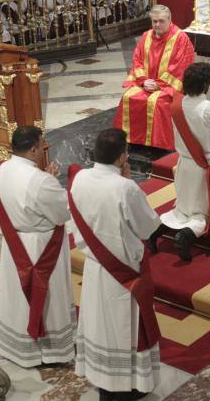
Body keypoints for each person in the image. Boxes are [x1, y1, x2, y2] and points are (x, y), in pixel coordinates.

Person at [69, 128, 162, 399]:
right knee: (126, 329)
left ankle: (103, 379)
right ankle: (127, 386)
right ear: (122, 157)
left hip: (96, 267)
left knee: (100, 325)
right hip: (125, 273)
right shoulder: (125, 188)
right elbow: (147, 228)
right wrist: (131, 183)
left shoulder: (80, 179)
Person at [0, 126, 75, 368]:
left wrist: (45, 180)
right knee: (47, 296)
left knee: (17, 295)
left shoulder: (0, 169)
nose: (44, 149)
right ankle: (49, 351)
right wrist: (50, 181)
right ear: (34, 149)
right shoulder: (40, 181)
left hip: (14, 244)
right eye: (42, 145)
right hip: (41, 246)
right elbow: (61, 214)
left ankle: (16, 345)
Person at [155, 63, 210, 261]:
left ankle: (157, 231)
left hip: (184, 164)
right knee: (206, 212)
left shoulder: (177, 104)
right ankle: (186, 236)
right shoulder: (209, 109)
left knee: (184, 208)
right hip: (205, 167)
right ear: (206, 86)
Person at [113, 5, 195, 150]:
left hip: (168, 86)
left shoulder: (180, 38)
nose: (157, 25)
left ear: (170, 20)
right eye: (154, 21)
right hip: (146, 82)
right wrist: (143, 81)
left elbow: (180, 67)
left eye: (161, 21)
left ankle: (158, 146)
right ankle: (131, 141)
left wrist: (158, 85)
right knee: (128, 97)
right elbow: (137, 60)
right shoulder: (146, 36)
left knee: (157, 102)